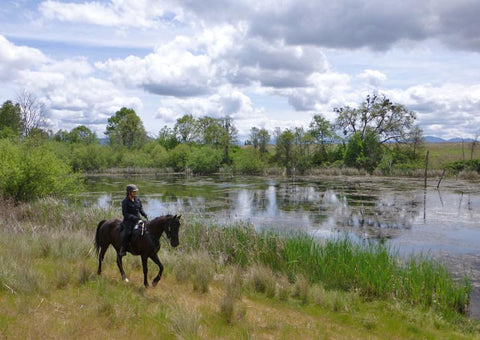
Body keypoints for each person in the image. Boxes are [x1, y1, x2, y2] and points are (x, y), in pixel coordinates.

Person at [119, 184, 148, 256]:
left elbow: (140, 208)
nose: (135, 193)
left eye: (135, 191)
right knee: (128, 233)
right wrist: (134, 218)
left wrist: (144, 214)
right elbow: (125, 214)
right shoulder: (125, 201)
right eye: (133, 191)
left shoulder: (137, 199)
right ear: (129, 192)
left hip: (138, 219)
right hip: (129, 221)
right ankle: (123, 249)